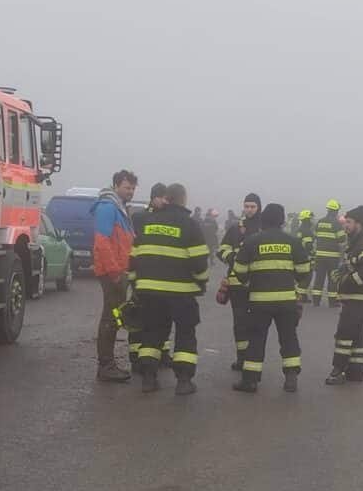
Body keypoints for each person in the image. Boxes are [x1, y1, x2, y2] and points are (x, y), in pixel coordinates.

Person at [130, 182, 210, 394]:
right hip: (182, 293)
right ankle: (183, 381)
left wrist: (136, 284)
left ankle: (148, 378)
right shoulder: (189, 224)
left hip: (149, 291)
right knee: (185, 333)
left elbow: (133, 259)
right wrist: (201, 283)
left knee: (151, 333)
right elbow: (200, 262)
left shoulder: (147, 222)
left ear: (166, 198)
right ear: (183, 199)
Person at [230, 203, 312, 393]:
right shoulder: (292, 242)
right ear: (282, 221)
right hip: (286, 301)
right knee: (289, 338)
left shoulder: (251, 241)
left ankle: (250, 381)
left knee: (256, 339)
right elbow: (305, 271)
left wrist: (250, 280)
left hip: (259, 302)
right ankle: (291, 378)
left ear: (263, 220)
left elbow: (240, 271)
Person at [326, 205, 363, 385]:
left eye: (349, 222)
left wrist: (346, 281)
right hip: (356, 297)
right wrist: (341, 270)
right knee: (357, 336)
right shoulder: (356, 241)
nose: (346, 226)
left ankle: (338, 370)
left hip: (357, 298)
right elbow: (355, 264)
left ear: (359, 223)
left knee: (344, 334)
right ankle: (356, 372)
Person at [91, 169, 138, 382]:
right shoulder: (108, 208)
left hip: (119, 270)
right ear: (116, 186)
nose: (131, 191)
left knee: (115, 316)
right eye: (127, 187)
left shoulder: (119, 208)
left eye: (133, 188)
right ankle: (106, 366)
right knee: (111, 318)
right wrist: (114, 272)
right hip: (113, 273)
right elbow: (102, 242)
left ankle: (108, 363)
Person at [219, 193, 261, 372]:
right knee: (239, 322)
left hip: (258, 284)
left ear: (259, 207)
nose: (249, 209)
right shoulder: (235, 228)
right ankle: (241, 358)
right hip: (236, 284)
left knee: (256, 323)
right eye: (247, 206)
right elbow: (222, 249)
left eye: (252, 206)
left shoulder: (263, 229)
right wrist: (234, 258)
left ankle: (252, 358)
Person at [309, 198, 346, 305]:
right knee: (333, 278)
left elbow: (315, 237)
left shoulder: (319, 222)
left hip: (319, 255)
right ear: (336, 211)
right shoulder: (337, 223)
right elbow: (342, 241)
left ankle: (316, 301)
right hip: (333, 257)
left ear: (328, 209)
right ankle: (332, 301)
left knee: (319, 278)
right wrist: (342, 256)